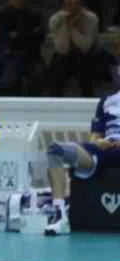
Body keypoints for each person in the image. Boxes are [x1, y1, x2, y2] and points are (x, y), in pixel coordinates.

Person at [45, 88, 120, 235]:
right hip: (105, 150)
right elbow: (94, 138)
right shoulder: (106, 101)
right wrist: (99, 142)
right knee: (56, 150)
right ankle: (60, 215)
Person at [47, 0, 100, 97]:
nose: (73, 7)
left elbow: (85, 46)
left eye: (76, 4)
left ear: (81, 4)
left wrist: (72, 28)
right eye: (69, 4)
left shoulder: (91, 18)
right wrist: (66, 25)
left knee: (84, 64)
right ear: (63, 6)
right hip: (64, 54)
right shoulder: (55, 19)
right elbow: (61, 48)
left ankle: (88, 100)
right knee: (58, 65)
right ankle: (55, 100)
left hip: (85, 54)